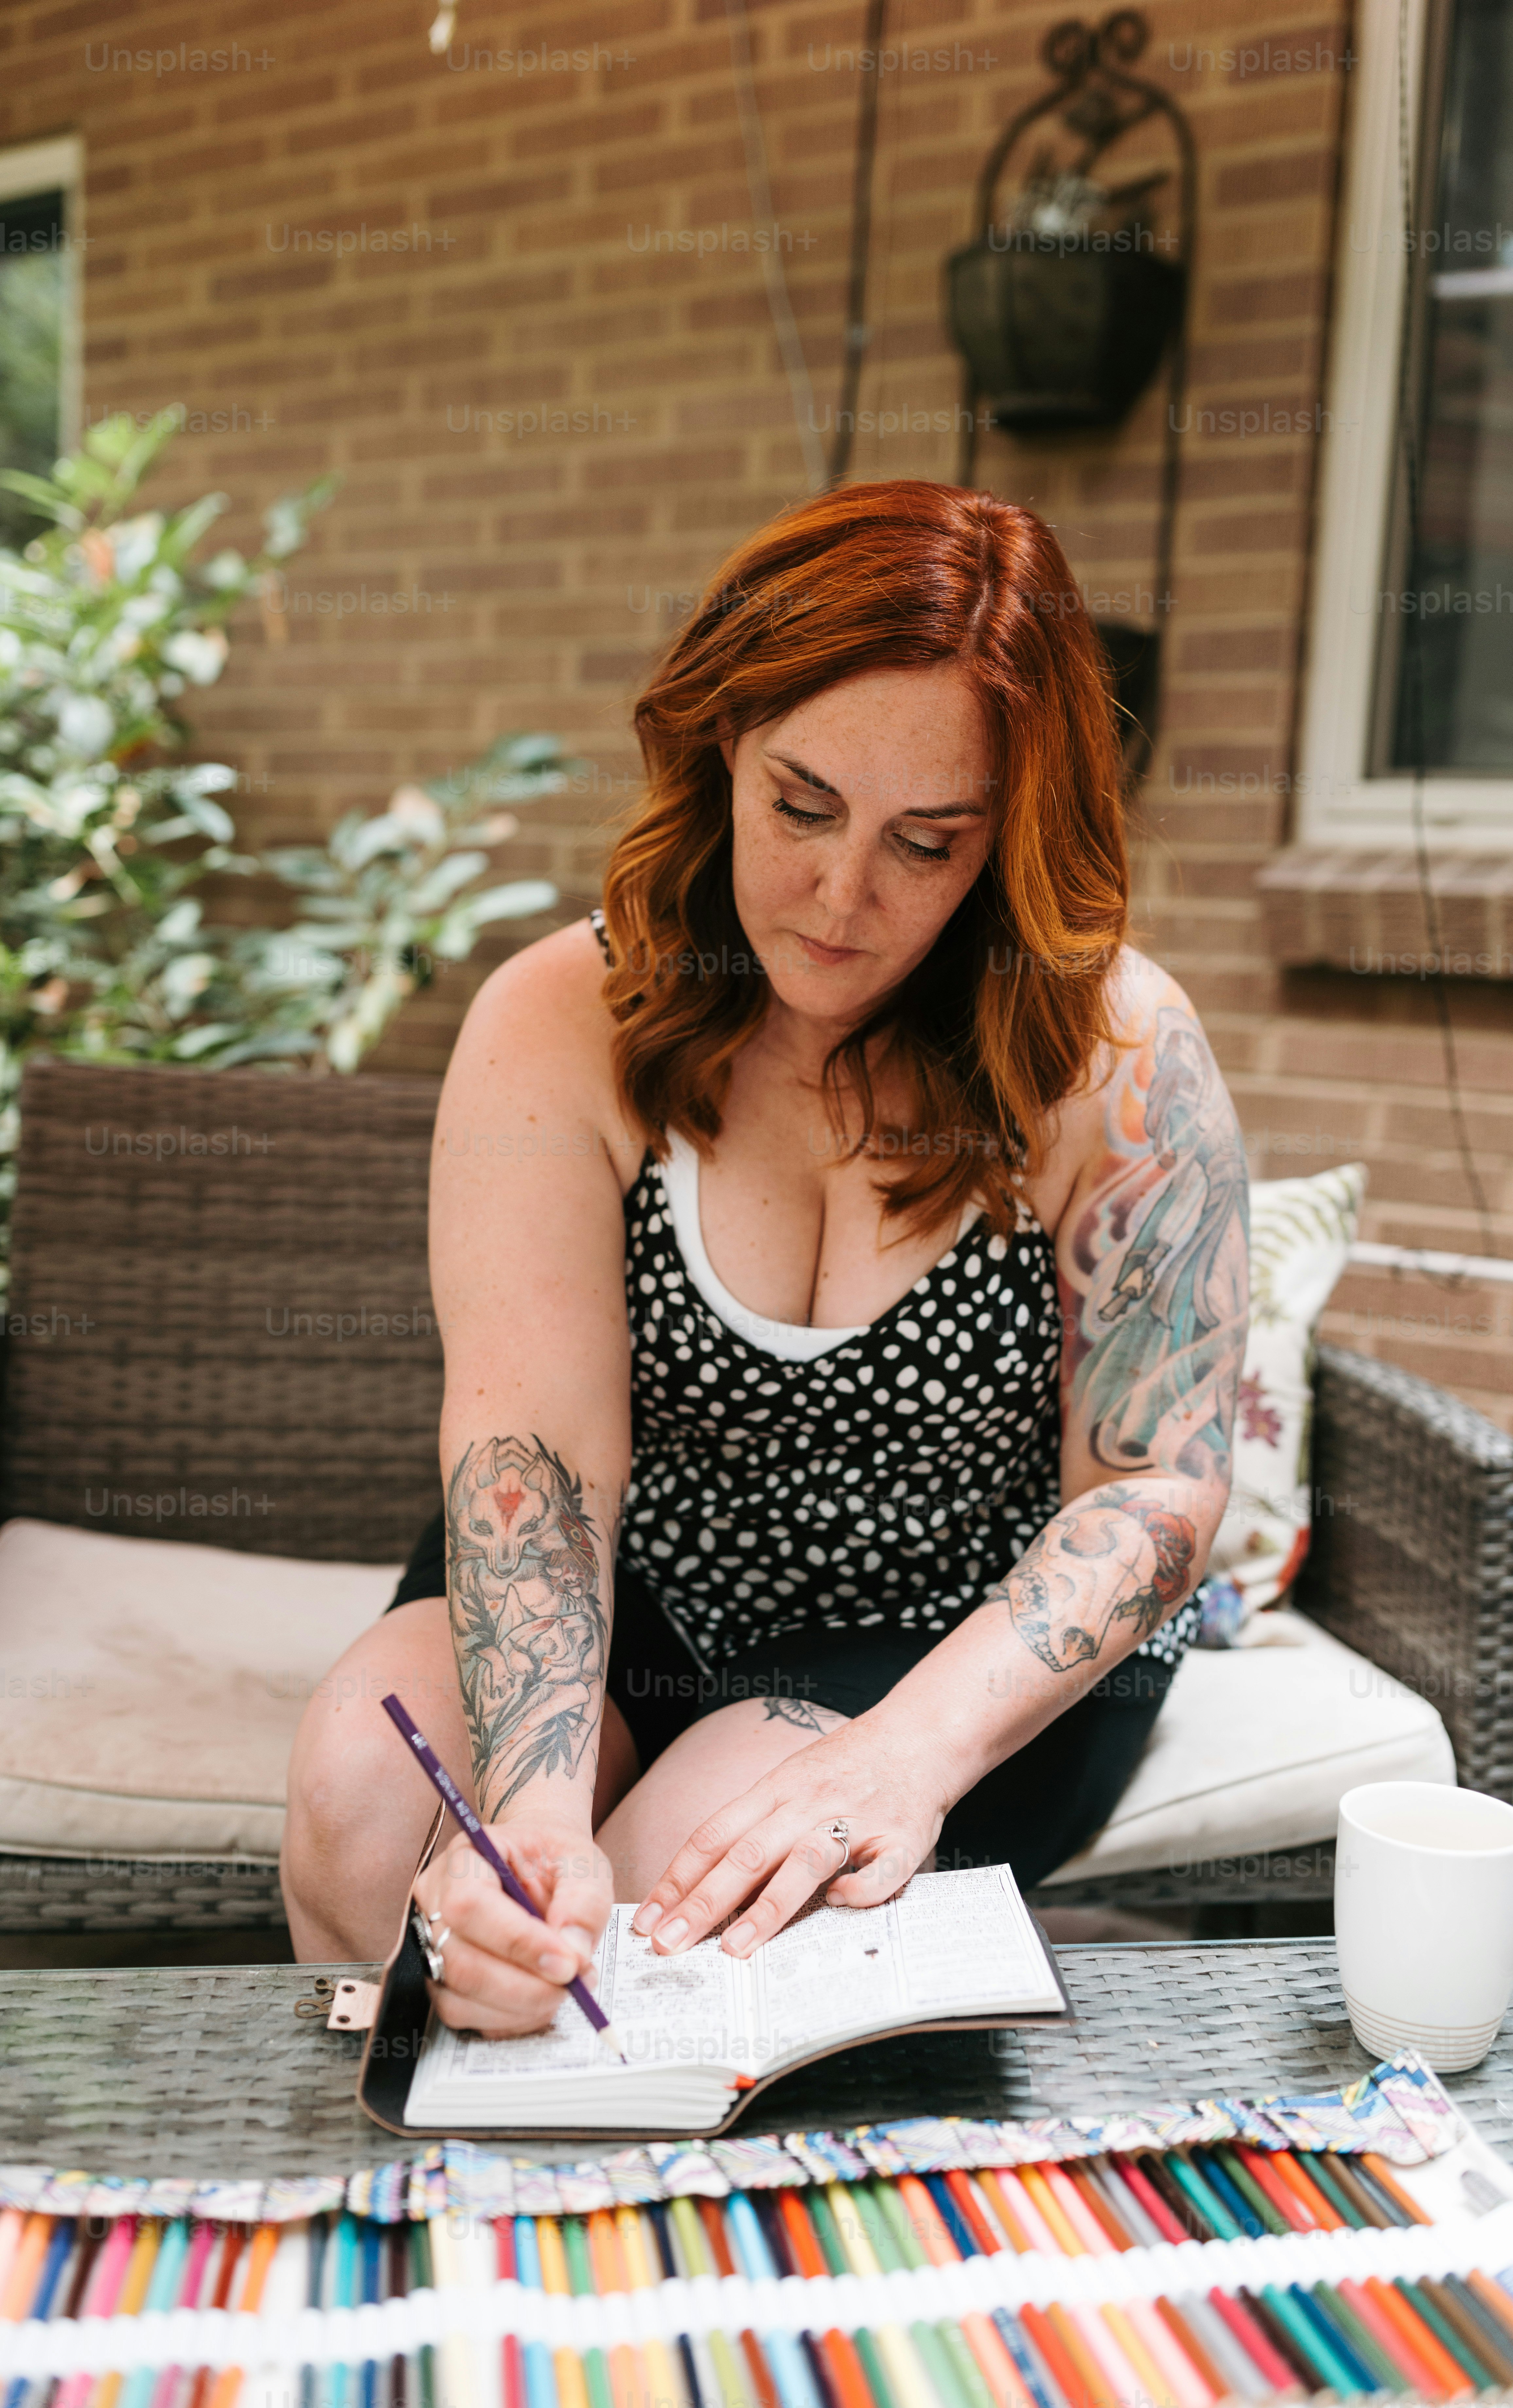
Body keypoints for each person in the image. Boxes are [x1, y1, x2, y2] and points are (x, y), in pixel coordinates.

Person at [280, 479, 1249, 2038]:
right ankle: (434, 2207)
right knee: (366, 1810)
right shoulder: (559, 1018)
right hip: (629, 1578)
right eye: (801, 805)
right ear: (719, 741)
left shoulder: (1116, 1053)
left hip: (953, 1631)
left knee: (690, 1897)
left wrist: (904, 1758)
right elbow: (539, 1442)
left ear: (1008, 841)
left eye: (925, 844)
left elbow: (1153, 1482)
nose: (842, 897)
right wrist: (530, 1814)